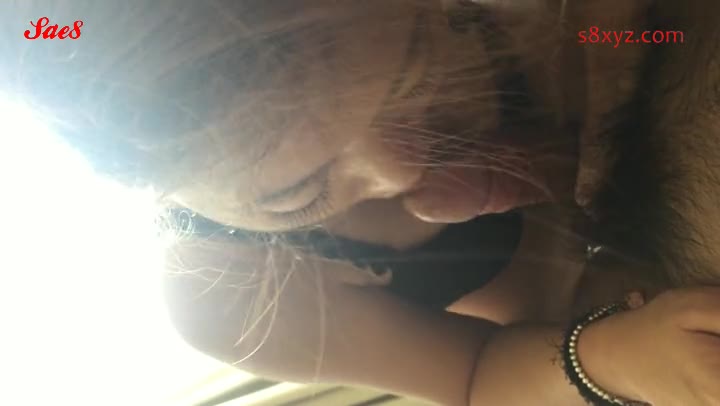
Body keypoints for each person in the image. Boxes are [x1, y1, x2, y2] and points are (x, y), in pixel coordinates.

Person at [3, 1, 720, 405]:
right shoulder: (228, 292)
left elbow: (650, 30)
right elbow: (475, 380)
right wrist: (616, 357)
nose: (399, 170)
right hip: (592, 349)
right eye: (298, 194)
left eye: (415, 80)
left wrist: (603, 67)